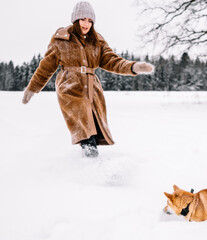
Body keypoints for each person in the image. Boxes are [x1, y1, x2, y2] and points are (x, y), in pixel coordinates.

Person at [22, 1, 154, 157]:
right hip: (69, 87)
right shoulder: (61, 39)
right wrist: (32, 88)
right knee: (83, 125)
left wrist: (132, 67)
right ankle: (92, 164)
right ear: (75, 20)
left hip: (92, 88)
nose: (86, 24)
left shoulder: (97, 41)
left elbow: (112, 60)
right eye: (82, 19)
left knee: (93, 126)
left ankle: (89, 162)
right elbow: (46, 67)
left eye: (90, 20)